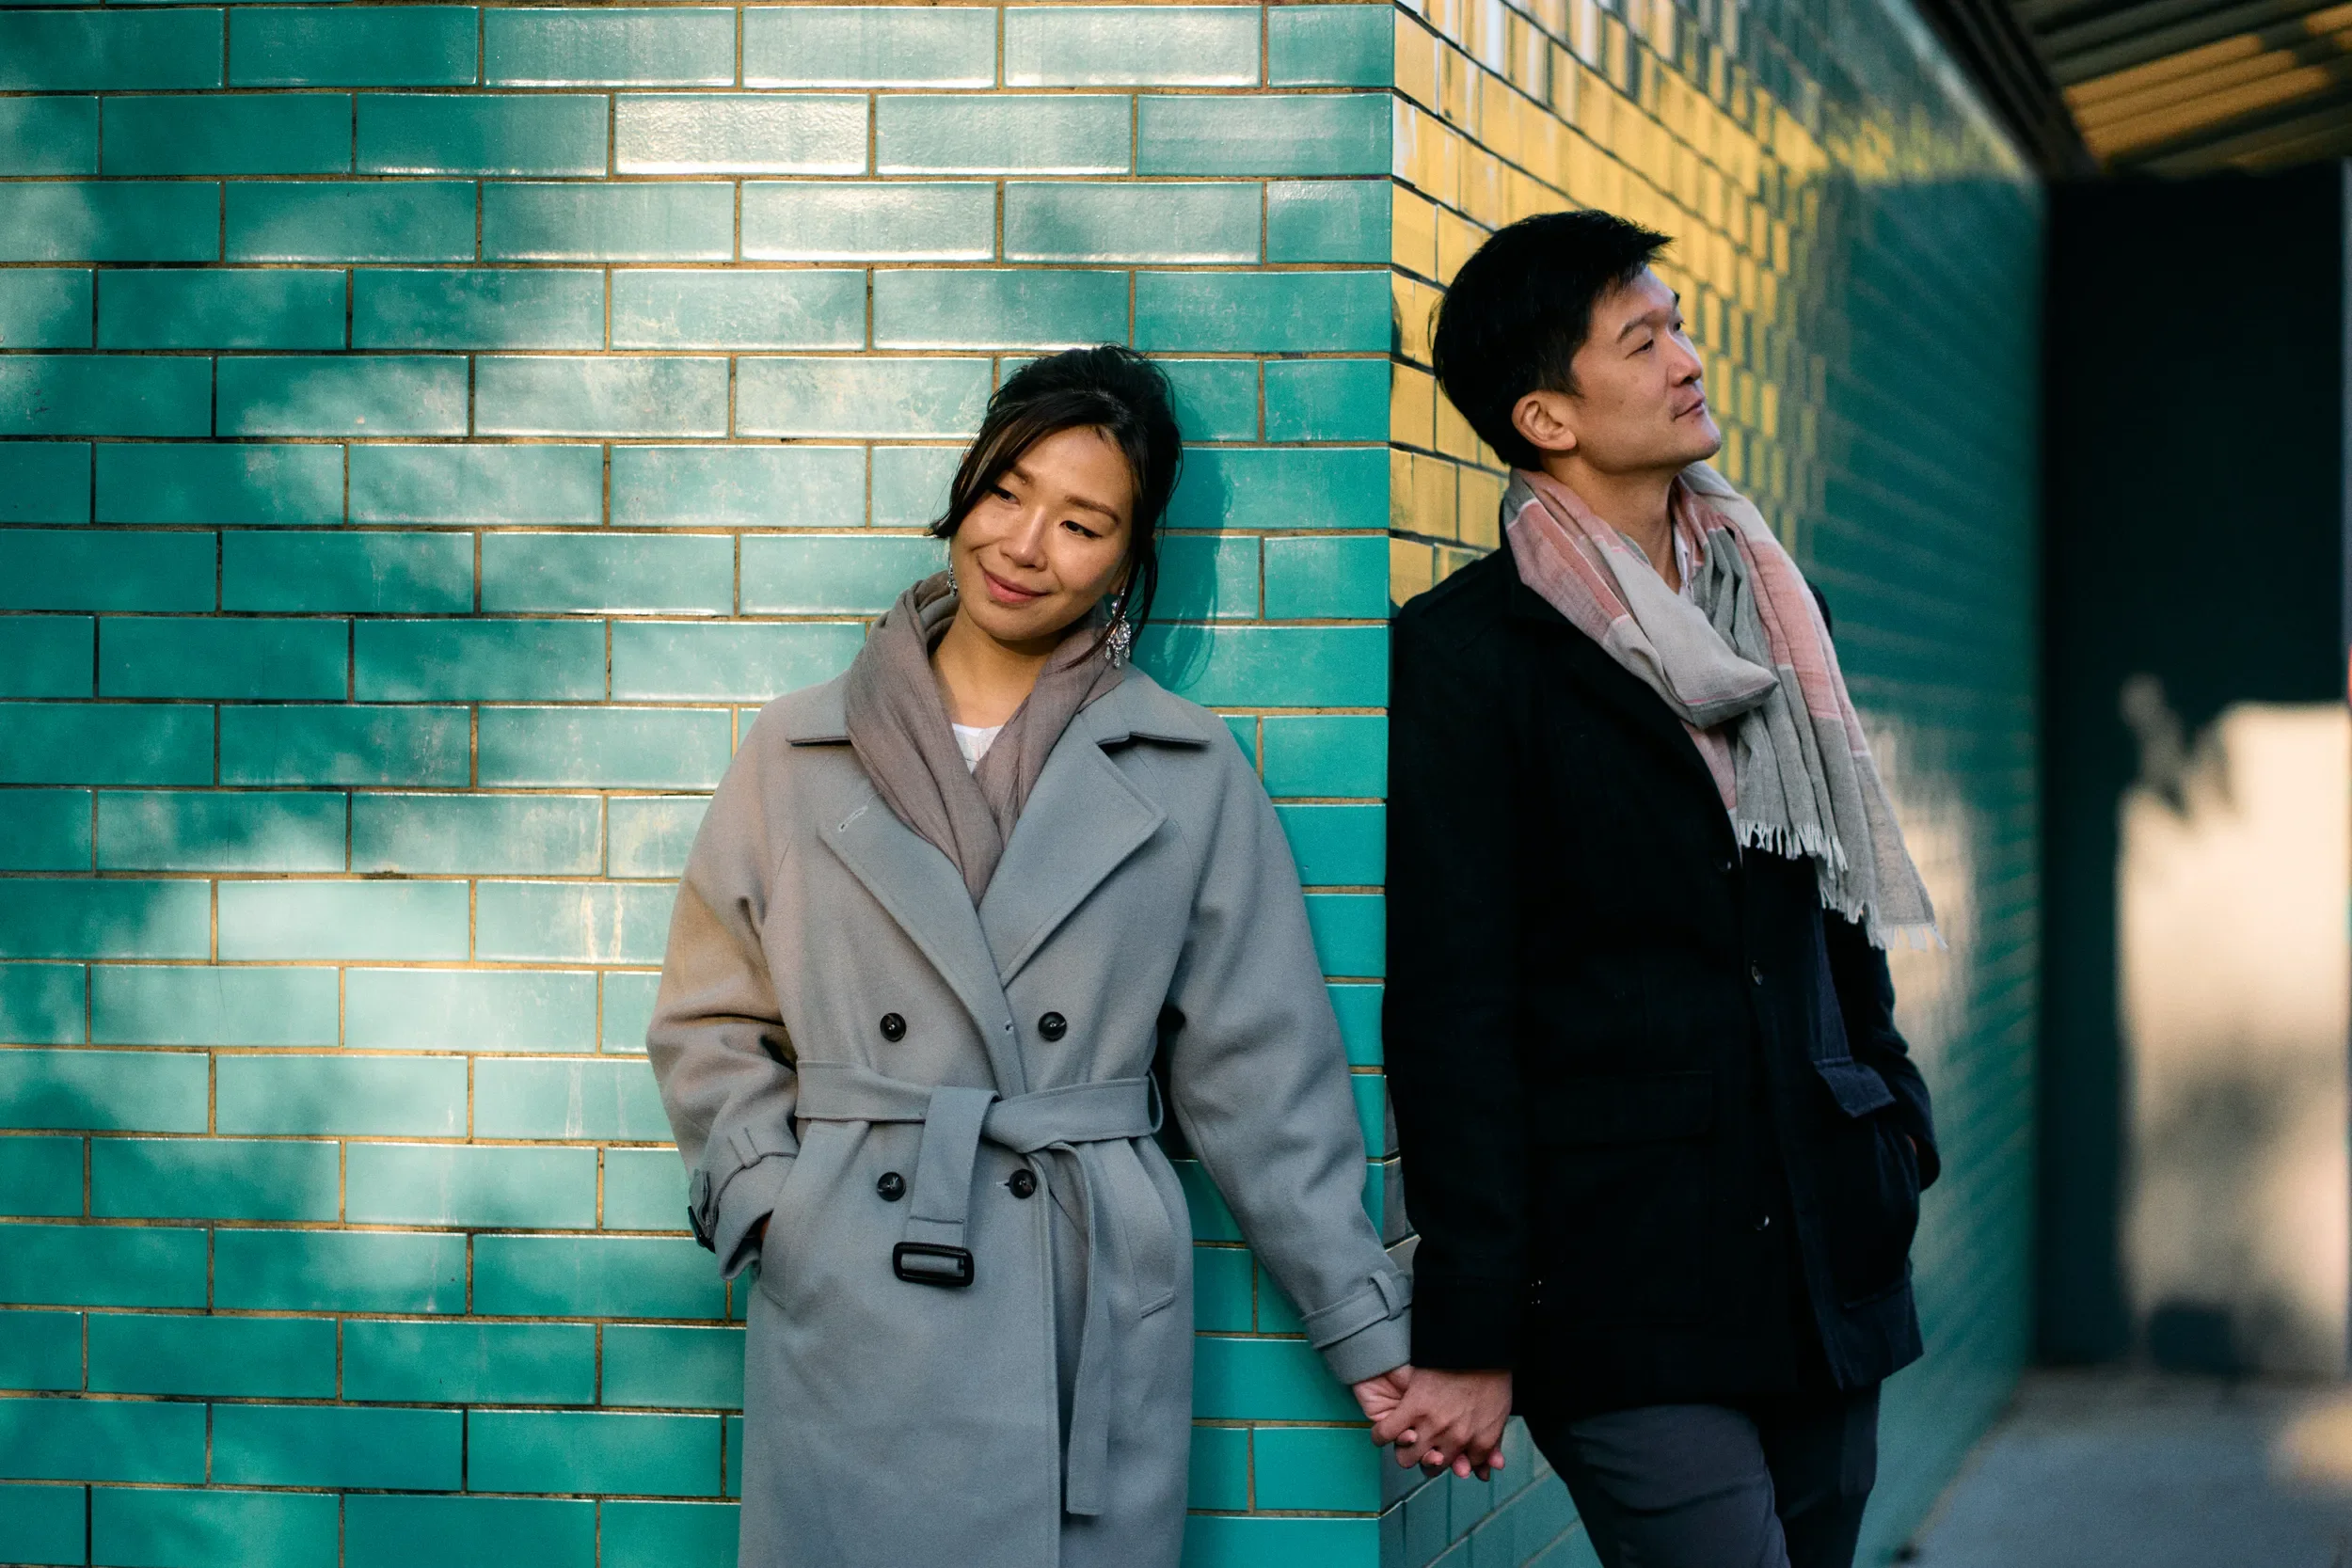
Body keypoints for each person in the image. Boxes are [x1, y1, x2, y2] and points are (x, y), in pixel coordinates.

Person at [646, 345, 1412, 1568]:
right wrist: (780, 1212)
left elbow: (1262, 1079)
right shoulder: (796, 752)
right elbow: (710, 1018)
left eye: (1084, 521)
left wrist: (1364, 1329)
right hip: (861, 1277)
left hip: (1079, 1292)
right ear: (966, 483)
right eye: (1007, 490)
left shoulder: (1186, 767)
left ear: (1129, 557)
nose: (1025, 542)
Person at [1373, 211, 1943, 1568]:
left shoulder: (1765, 603)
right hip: (1618, 1267)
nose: (1688, 358)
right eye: (1646, 339)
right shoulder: (1465, 660)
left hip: (1818, 1238)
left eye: (1677, 323)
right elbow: (1453, 1008)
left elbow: (1831, 901)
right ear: (1544, 416)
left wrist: (1888, 1106)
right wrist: (1468, 1327)